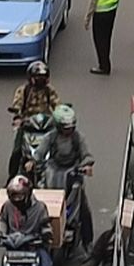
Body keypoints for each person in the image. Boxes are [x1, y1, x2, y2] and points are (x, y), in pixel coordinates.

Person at [35, 105, 95, 248]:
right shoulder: (50, 137)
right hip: (53, 170)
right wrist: (33, 161)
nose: (68, 130)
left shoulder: (78, 138)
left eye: (71, 127)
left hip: (72, 172)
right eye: (65, 127)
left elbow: (87, 155)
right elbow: (39, 152)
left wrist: (86, 166)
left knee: (84, 209)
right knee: (37, 199)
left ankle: (88, 244)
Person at [0, 175, 54, 266]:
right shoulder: (8, 206)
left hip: (34, 248)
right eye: (14, 196)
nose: (17, 199)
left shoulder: (40, 208)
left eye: (19, 196)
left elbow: (46, 226)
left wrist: (46, 234)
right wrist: (1, 234)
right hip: (13, 250)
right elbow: (2, 221)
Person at [8, 61, 60, 176]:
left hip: (46, 124)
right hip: (28, 124)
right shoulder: (23, 90)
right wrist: (18, 118)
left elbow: (56, 104)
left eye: (43, 78)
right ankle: (12, 176)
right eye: (38, 78)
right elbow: (17, 104)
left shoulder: (49, 90)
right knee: (17, 150)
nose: (41, 81)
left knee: (58, 148)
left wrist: (60, 115)